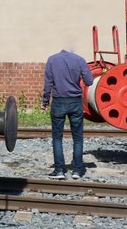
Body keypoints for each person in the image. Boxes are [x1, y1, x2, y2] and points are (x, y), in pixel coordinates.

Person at [40, 47, 94, 179]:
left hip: (58, 102)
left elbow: (48, 84)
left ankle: (59, 171)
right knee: (77, 138)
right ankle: (77, 171)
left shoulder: (52, 60)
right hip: (75, 102)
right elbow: (90, 81)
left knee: (57, 138)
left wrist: (45, 101)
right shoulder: (79, 60)